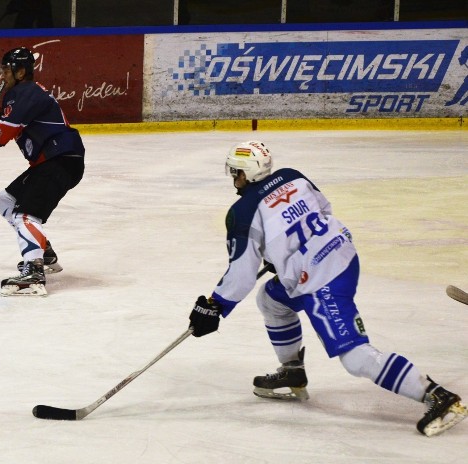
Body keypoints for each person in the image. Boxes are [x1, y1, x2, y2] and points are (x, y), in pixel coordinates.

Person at [186, 141, 467, 436]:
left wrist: (215, 305)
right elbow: (323, 210)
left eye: (236, 172)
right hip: (342, 254)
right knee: (271, 300)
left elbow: (242, 273)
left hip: (322, 279)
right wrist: (283, 254)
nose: (234, 179)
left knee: (355, 357)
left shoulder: (242, 212)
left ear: (245, 174)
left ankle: (436, 396)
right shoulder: (293, 176)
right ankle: (292, 370)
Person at [0, 47, 85, 297]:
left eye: (6, 70)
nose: (2, 75)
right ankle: (44, 254)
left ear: (20, 71)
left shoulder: (23, 92)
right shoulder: (22, 94)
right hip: (55, 160)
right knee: (7, 201)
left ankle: (33, 271)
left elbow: (3, 135)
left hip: (58, 160)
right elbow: (17, 123)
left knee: (24, 216)